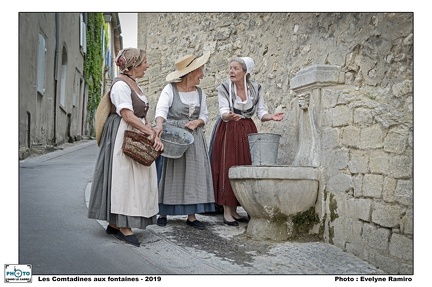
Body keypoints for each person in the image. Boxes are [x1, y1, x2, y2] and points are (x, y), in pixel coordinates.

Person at [87, 48, 164, 247]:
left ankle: (114, 223)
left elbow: (139, 116)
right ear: (133, 65)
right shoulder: (120, 85)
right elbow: (127, 115)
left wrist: (152, 130)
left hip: (134, 131)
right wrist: (148, 132)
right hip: (122, 133)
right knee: (124, 179)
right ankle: (123, 226)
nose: (147, 66)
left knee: (135, 180)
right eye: (145, 62)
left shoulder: (133, 84)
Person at [210, 56, 285, 226]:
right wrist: (228, 116)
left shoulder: (255, 88)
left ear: (245, 71)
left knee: (245, 164)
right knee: (229, 165)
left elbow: (261, 112)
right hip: (229, 128)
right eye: (230, 68)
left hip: (248, 129)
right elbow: (222, 110)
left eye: (236, 68)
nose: (231, 71)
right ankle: (227, 211)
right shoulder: (224, 88)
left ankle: (237, 209)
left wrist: (271, 117)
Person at [154, 52, 215, 230]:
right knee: (170, 173)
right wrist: (159, 127)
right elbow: (161, 111)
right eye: (200, 71)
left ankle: (192, 215)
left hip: (193, 138)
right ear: (191, 72)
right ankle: (163, 212)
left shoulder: (200, 93)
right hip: (173, 136)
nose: (202, 75)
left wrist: (198, 121)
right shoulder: (170, 89)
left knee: (193, 175)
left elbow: (204, 115)